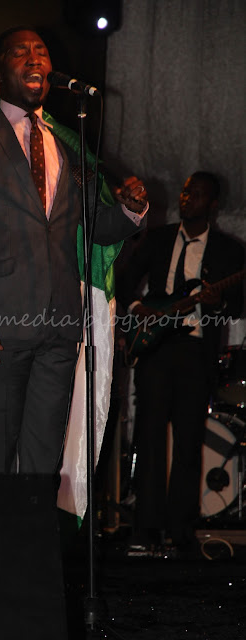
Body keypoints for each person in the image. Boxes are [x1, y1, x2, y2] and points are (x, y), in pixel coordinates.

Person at [0, 26, 148, 477]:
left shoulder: (67, 145)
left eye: (41, 52)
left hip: (60, 328)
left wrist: (130, 210)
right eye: (20, 52)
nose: (35, 59)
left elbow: (96, 228)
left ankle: (36, 528)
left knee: (43, 468)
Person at [118, 171, 245, 554]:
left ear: (214, 204)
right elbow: (124, 281)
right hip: (156, 348)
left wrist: (219, 302)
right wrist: (137, 308)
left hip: (195, 351)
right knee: (149, 437)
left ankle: (181, 530)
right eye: (187, 191)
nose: (188, 198)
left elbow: (236, 305)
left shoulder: (229, 251)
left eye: (198, 194)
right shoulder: (158, 238)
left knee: (189, 442)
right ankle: (146, 528)